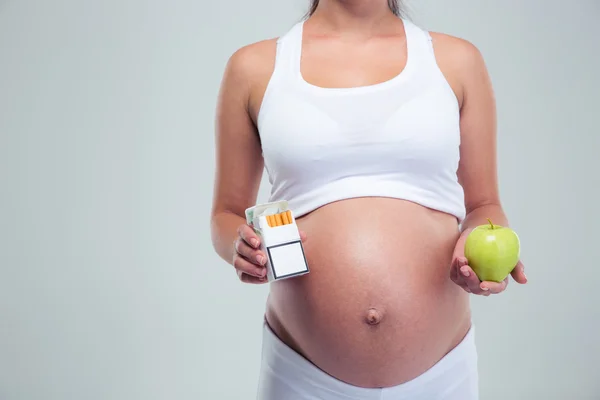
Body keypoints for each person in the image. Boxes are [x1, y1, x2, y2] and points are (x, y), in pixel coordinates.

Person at [210, 0, 528, 398]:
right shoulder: (254, 68)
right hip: (301, 376)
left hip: (441, 375)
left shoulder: (457, 61)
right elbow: (225, 214)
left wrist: (478, 248)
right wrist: (240, 245)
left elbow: (485, 205)